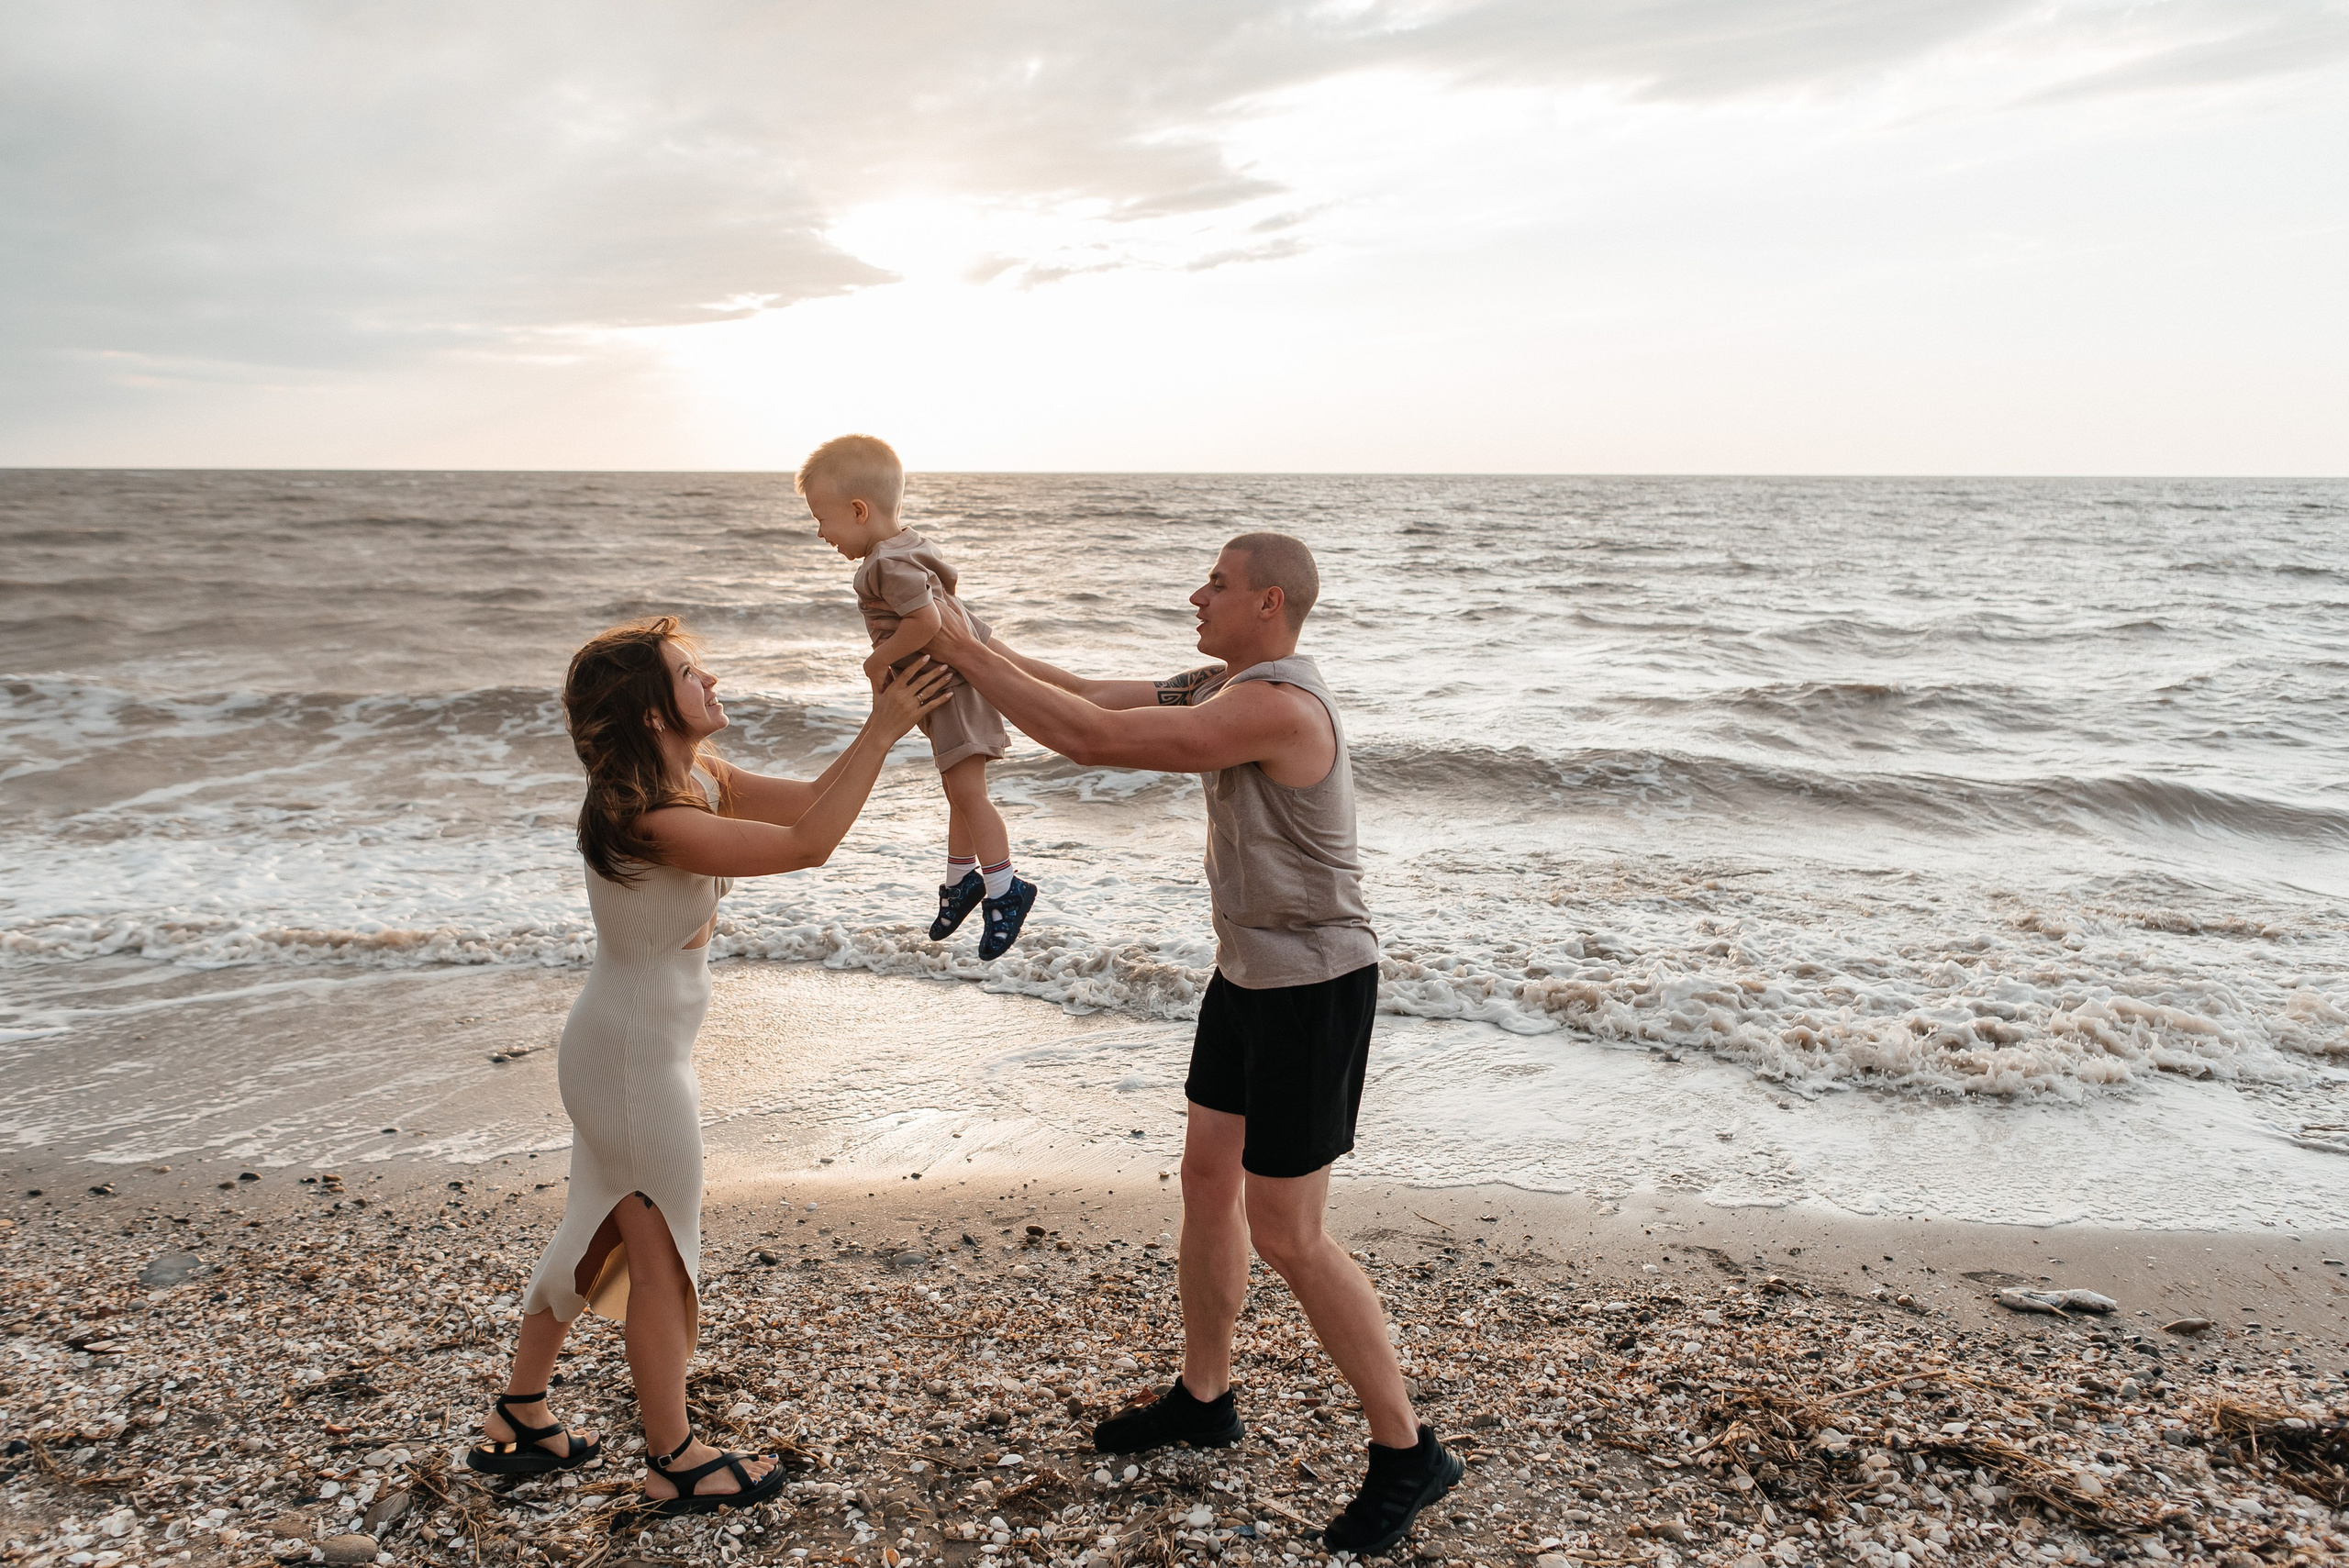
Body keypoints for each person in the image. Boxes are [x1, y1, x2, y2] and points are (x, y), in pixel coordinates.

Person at [924, 533, 1462, 1557]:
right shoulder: (1220, 683)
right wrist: (966, 636)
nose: (1194, 595)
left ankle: (1407, 1450)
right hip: (1249, 977)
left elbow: (1090, 739)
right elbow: (1082, 690)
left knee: (1289, 1232)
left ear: (1268, 602)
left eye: (1213, 583)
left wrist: (955, 648)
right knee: (1205, 1176)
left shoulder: (1274, 705)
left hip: (1314, 986)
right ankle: (1205, 1396)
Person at [469, 617, 952, 1516]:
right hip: (629, 1062)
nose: (713, 678)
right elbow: (809, 845)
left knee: (591, 1232)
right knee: (662, 1260)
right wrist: (883, 725)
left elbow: (812, 799)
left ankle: (521, 1415)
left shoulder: (699, 779)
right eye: (692, 673)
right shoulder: (650, 819)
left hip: (621, 1052)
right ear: (655, 712)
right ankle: (674, 1457)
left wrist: (881, 716)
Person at [796, 434, 1038, 959]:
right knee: (960, 790)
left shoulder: (885, 564)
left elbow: (926, 620)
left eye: (822, 518)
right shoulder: (911, 545)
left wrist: (877, 660)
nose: (820, 533)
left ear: (859, 510)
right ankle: (961, 881)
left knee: (969, 793)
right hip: (949, 687)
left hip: (953, 688)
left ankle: (1005, 889)